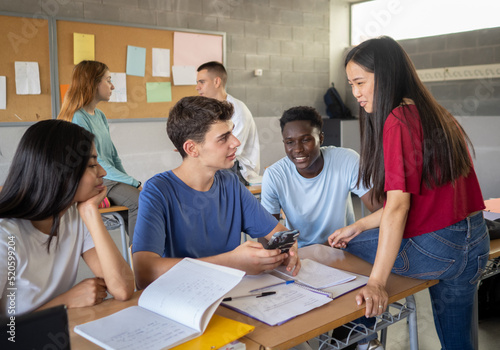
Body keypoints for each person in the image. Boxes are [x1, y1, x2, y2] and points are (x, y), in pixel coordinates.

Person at [328, 36, 489, 350]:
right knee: (458, 344)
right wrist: (359, 224)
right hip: (475, 240)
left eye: (360, 82)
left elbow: (399, 208)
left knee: (337, 251)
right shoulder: (437, 114)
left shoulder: (397, 120)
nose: (356, 93)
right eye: (351, 84)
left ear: (386, 75)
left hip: (440, 247)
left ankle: (361, 338)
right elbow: (415, 201)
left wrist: (377, 283)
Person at [132, 96, 300, 290]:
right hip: (182, 298)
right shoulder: (157, 192)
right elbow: (144, 274)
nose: (236, 142)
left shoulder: (230, 183)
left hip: (229, 294)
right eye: (223, 138)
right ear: (192, 148)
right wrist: (232, 261)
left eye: (232, 132)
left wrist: (286, 249)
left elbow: (278, 234)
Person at [0, 120, 134, 316]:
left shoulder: (73, 215)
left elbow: (122, 289)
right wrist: (64, 302)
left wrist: (91, 212)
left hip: (56, 332)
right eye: (92, 165)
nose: (103, 172)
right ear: (58, 172)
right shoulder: (5, 236)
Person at [261, 106, 380, 248]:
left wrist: (358, 227)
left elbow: (382, 211)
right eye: (290, 142)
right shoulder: (275, 176)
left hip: (343, 248)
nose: (298, 149)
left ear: (321, 138)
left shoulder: (346, 160)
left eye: (305, 140)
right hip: (301, 254)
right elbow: (266, 235)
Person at [58, 60, 140, 244]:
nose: (112, 86)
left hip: (106, 177)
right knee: (140, 203)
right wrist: (134, 183)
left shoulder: (100, 115)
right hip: (91, 178)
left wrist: (130, 181)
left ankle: (137, 255)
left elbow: (112, 156)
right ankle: (141, 259)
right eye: (108, 80)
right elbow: (97, 160)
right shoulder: (78, 117)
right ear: (93, 83)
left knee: (139, 200)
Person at [196, 61, 260, 184]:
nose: (197, 87)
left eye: (202, 82)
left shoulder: (238, 110)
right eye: (197, 82)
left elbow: (231, 150)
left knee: (206, 174)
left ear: (217, 82)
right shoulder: (209, 110)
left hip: (239, 170)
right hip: (219, 162)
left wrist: (199, 148)